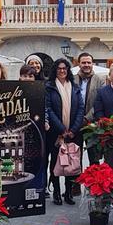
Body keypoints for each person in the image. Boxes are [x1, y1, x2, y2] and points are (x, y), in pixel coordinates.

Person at [45, 58, 83, 205]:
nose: (62, 71)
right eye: (59, 68)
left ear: (68, 70)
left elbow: (80, 108)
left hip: (73, 133)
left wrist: (73, 129)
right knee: (56, 162)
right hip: (56, 133)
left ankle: (68, 193)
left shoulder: (75, 87)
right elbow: (48, 109)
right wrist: (61, 129)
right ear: (55, 70)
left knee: (71, 163)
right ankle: (56, 192)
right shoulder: (49, 87)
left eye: (65, 68)